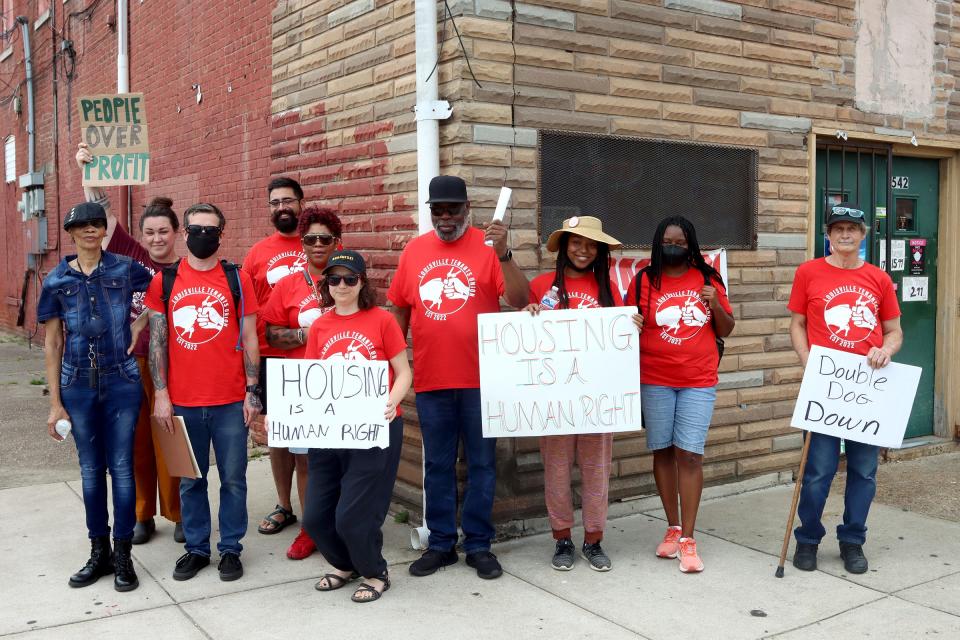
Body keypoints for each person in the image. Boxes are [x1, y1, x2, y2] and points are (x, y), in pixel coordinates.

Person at [388, 175, 528, 580]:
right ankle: (441, 544)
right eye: (438, 210)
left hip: (482, 381)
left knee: (483, 464)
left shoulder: (488, 249)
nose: (445, 217)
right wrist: (393, 365)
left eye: (453, 209)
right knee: (438, 465)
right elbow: (398, 308)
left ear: (468, 209)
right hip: (432, 381)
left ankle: (480, 544)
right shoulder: (414, 252)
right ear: (430, 211)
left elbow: (520, 300)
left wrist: (504, 254)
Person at [38, 202, 153, 591]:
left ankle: (122, 554)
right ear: (70, 232)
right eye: (82, 224)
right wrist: (55, 403)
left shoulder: (125, 267)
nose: (91, 229)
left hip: (121, 380)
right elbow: (52, 343)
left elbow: (162, 290)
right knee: (90, 472)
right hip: (77, 384)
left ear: (105, 230)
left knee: (121, 469)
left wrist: (140, 323)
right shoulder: (56, 280)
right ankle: (98, 551)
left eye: (97, 223)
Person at [144, 203, 261, 582]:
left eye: (210, 230)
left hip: (228, 400)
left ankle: (230, 548)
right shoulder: (165, 281)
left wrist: (252, 391)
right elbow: (157, 342)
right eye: (195, 229)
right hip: (182, 401)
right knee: (190, 479)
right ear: (184, 233)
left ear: (221, 234)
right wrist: (161, 393)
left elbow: (249, 337)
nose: (202, 235)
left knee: (233, 478)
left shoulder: (237, 279)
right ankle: (196, 549)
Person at [76, 142, 184, 545]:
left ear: (177, 234)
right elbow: (101, 212)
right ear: (141, 236)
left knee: (171, 439)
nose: (157, 238)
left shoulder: (187, 270)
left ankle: (178, 513)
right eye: (150, 232)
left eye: (164, 231)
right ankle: (142, 513)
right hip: (128, 363)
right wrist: (88, 171)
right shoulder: (132, 256)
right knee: (135, 440)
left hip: (172, 367)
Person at [789, 205, 902, 574]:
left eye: (852, 228)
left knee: (864, 472)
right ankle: (808, 539)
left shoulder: (879, 279)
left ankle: (852, 540)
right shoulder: (808, 273)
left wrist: (885, 351)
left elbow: (894, 330)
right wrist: (808, 363)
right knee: (818, 470)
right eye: (838, 229)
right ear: (828, 234)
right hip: (826, 387)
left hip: (865, 389)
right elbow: (798, 324)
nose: (845, 235)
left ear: (863, 233)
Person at [625, 215, 735, 573]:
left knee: (690, 454)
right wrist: (631, 323)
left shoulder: (708, 278)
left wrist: (714, 303)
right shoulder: (643, 280)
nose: (674, 247)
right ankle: (671, 527)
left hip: (698, 380)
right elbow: (626, 325)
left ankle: (689, 537)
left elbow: (727, 329)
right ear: (658, 244)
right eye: (668, 241)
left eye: (681, 242)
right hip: (654, 378)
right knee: (663, 450)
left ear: (691, 245)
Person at [301, 250, 413, 603]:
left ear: (362, 282)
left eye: (350, 278)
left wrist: (391, 402)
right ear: (327, 284)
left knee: (353, 515)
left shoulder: (381, 320)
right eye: (334, 279)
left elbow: (404, 371)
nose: (342, 285)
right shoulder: (320, 326)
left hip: (375, 428)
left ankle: (375, 571)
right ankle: (344, 564)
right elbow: (309, 381)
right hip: (329, 431)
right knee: (316, 518)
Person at [524, 216, 623, 571]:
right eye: (576, 242)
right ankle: (562, 539)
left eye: (591, 244)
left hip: (596, 395)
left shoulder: (610, 287)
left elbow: (619, 341)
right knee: (557, 468)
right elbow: (529, 340)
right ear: (563, 246)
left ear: (599, 251)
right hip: (555, 397)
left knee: (597, 470)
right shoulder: (541, 285)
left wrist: (632, 325)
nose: (583, 250)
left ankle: (594, 540)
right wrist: (528, 316)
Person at [261, 206, 343, 560]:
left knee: (344, 459)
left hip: (344, 382)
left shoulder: (348, 278)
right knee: (307, 460)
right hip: (302, 384)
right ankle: (311, 529)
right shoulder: (288, 285)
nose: (318, 244)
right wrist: (305, 334)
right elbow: (270, 334)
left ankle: (341, 524)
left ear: (336, 242)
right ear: (302, 244)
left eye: (325, 238)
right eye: (311, 238)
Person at [244, 177, 310, 538]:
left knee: (310, 443)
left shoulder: (319, 242)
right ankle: (285, 506)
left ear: (301, 203)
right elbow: (250, 314)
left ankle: (314, 516)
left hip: (312, 358)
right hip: (272, 357)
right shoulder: (258, 253)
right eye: (275, 203)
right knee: (280, 437)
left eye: (288, 201)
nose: (282, 207)